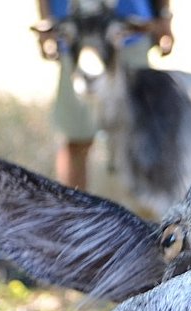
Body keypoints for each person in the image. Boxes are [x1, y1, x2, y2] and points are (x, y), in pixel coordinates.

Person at [34, 0, 174, 190]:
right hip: (74, 33)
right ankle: (75, 213)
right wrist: (46, 21)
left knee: (140, 135)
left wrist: (163, 16)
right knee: (76, 135)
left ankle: (143, 212)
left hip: (130, 31)